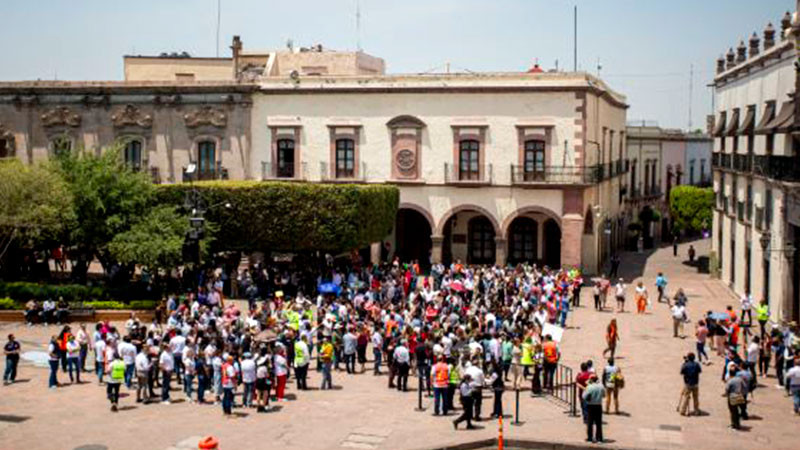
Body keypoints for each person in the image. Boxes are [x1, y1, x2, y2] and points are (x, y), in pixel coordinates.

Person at [583, 374, 606, 444]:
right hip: (598, 406)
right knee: (598, 423)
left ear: (591, 380)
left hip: (590, 406)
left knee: (590, 422)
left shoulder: (589, 387)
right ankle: (599, 438)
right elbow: (604, 395)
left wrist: (587, 386)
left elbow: (584, 396)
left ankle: (590, 438)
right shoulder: (601, 386)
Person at [725, 365, 748, 430]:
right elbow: (744, 387)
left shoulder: (730, 381)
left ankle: (734, 424)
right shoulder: (740, 379)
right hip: (739, 395)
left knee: (733, 412)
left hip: (732, 396)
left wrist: (727, 395)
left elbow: (727, 389)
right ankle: (737, 424)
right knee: (737, 411)